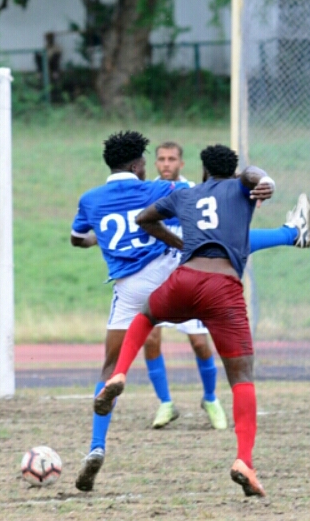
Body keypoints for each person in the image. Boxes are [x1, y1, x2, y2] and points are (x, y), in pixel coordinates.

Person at [69, 131, 276, 493]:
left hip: (130, 287)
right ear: (137, 165)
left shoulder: (90, 199)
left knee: (113, 360)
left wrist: (100, 235)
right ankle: (213, 405)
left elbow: (78, 239)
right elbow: (220, 218)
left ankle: (97, 445)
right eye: (150, 162)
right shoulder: (160, 189)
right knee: (209, 347)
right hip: (178, 272)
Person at [142, 142, 310, 431]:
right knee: (150, 337)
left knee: (199, 342)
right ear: (154, 163)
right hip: (169, 272)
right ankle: (165, 403)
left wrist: (254, 190)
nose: (166, 163)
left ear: (183, 164)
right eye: (161, 159)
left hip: (198, 271)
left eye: (172, 158)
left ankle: (210, 399)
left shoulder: (192, 189)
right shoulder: (149, 190)